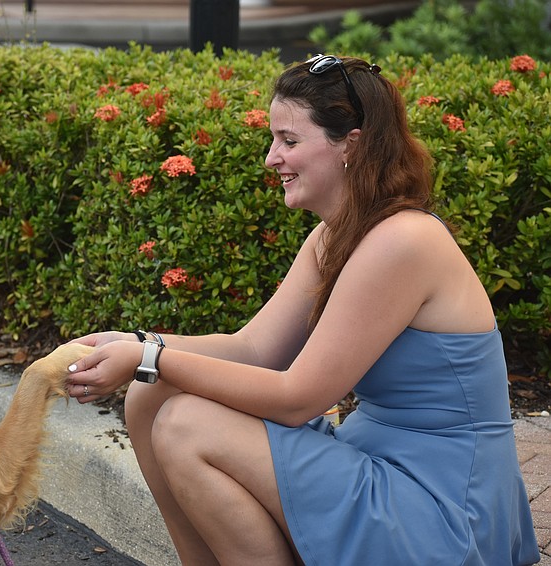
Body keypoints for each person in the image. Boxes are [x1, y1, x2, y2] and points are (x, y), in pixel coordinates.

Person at [65, 54, 540, 565]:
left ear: (350, 147)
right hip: (379, 460)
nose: (272, 158)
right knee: (149, 399)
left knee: (185, 423)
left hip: (443, 506)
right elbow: (253, 348)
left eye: (290, 141)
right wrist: (130, 345)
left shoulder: (403, 242)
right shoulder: (336, 235)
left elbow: (297, 398)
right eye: (274, 140)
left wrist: (150, 357)